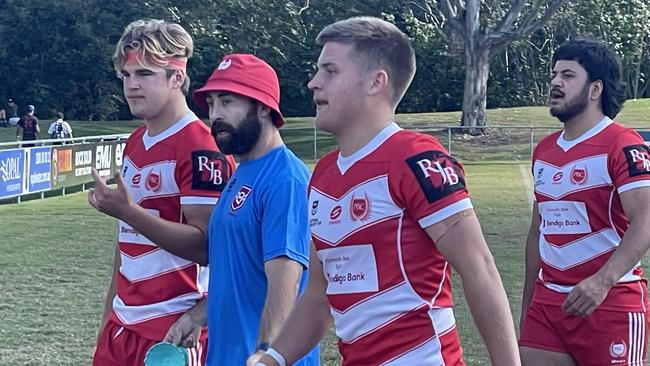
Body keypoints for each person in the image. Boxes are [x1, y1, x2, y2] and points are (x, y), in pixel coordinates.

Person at [257, 16, 520, 366]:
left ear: (375, 82)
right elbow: (320, 296)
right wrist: (272, 359)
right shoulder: (321, 174)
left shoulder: (417, 159)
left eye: (330, 71)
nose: (313, 83)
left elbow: (479, 268)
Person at [87, 19, 235, 366]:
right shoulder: (137, 141)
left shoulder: (201, 145)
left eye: (145, 74)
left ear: (177, 78)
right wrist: (109, 320)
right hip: (123, 326)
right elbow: (126, 247)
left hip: (174, 331)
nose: (132, 86)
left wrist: (129, 212)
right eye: (126, 76)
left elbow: (209, 247)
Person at [163, 54, 320, 366]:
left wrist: (266, 353)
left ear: (263, 107)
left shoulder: (285, 179)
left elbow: (285, 282)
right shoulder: (242, 171)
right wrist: (198, 315)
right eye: (211, 104)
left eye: (227, 101)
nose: (215, 115)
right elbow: (240, 272)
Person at [519, 38, 650, 366]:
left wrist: (602, 282)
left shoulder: (622, 144)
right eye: (554, 75)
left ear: (595, 89)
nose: (554, 83)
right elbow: (539, 231)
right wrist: (528, 305)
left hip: (609, 304)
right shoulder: (544, 151)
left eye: (567, 75)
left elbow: (646, 218)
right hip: (548, 306)